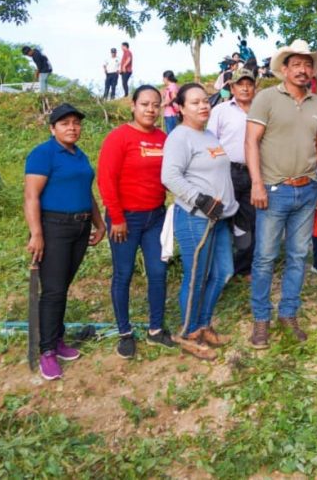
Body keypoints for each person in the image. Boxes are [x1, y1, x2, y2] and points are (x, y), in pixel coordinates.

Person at [244, 39, 317, 349]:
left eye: (308, 64)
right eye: (296, 64)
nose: (303, 69)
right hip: (273, 190)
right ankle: (261, 319)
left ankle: (288, 313)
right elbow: (251, 142)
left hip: (308, 190)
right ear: (285, 68)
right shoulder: (266, 98)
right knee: (265, 257)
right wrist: (256, 183)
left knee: (298, 255)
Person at [23, 104, 107, 381]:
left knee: (62, 286)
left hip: (80, 227)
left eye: (76, 123)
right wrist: (36, 233)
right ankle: (47, 350)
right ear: (52, 128)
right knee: (53, 290)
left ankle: (57, 339)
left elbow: (86, 192)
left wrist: (99, 223)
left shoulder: (79, 155)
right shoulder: (43, 154)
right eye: (65, 123)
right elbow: (31, 196)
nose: (72, 127)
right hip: (54, 227)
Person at [97, 85, 176, 358]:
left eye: (155, 104)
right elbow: (106, 180)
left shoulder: (163, 139)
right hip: (125, 219)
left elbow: (170, 174)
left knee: (158, 271)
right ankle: (124, 333)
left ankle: (156, 329)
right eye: (144, 104)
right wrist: (117, 218)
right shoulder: (118, 138)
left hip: (155, 217)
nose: (150, 110)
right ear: (133, 106)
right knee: (124, 273)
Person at [161, 84, 239, 360]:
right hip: (195, 219)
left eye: (205, 101)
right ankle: (188, 332)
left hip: (219, 219)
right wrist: (201, 200)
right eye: (194, 102)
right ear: (181, 108)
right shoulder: (179, 137)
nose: (203, 106)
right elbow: (170, 176)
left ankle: (203, 324)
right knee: (196, 277)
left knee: (223, 272)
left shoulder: (208, 135)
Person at [206, 67, 257, 278]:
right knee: (221, 217)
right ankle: (217, 267)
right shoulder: (221, 110)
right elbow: (210, 142)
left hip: (254, 172)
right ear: (232, 88)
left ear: (255, 87)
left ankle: (242, 267)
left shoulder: (261, 110)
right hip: (228, 171)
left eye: (249, 84)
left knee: (249, 220)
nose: (245, 88)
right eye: (240, 84)